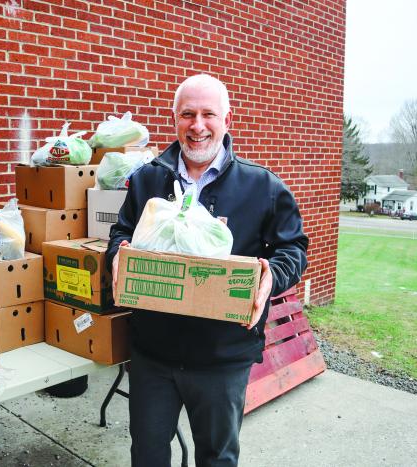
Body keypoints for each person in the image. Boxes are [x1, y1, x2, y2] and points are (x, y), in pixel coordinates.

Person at [106, 74, 308, 467]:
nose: (197, 126)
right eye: (187, 115)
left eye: (208, 114)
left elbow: (293, 247)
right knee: (146, 456)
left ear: (227, 120)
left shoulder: (262, 186)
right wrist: (118, 252)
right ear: (175, 119)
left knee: (216, 458)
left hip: (222, 356)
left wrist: (273, 274)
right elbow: (122, 230)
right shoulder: (148, 179)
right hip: (153, 353)